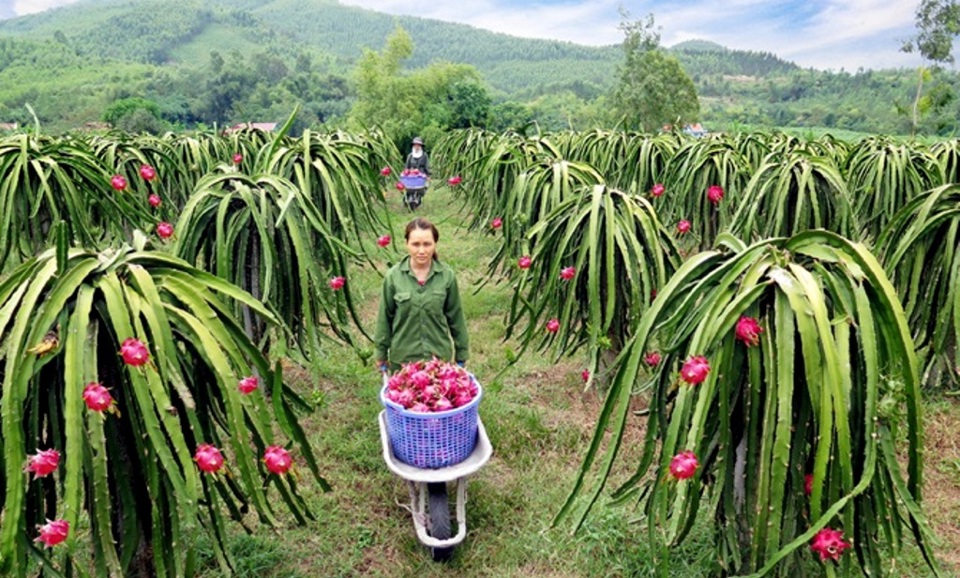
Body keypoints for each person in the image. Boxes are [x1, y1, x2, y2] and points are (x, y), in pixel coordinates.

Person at [375, 218, 468, 373]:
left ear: (435, 244)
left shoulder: (447, 277)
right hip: (403, 361)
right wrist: (381, 353)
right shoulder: (393, 277)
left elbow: (456, 317)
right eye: (415, 244)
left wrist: (461, 354)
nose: (422, 251)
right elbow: (384, 318)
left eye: (427, 244)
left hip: (438, 360)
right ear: (407, 244)